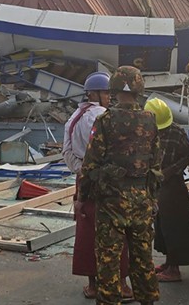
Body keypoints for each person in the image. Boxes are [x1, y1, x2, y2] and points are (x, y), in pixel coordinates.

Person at [80, 66, 162, 305]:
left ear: (114, 89)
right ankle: (147, 300)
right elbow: (156, 163)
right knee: (142, 256)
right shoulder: (150, 120)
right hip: (142, 199)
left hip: (112, 200)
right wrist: (152, 196)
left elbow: (90, 164)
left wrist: (83, 197)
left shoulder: (105, 121)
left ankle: (110, 301)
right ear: (139, 90)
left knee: (109, 259)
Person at [62, 72, 132, 300]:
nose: (109, 98)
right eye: (105, 93)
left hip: (83, 180)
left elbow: (67, 152)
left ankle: (92, 285)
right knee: (115, 232)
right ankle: (120, 285)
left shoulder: (72, 118)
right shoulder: (103, 116)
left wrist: (82, 171)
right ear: (94, 93)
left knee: (85, 234)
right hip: (106, 182)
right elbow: (115, 151)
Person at [144, 98, 189, 283]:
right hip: (157, 186)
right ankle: (169, 262)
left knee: (173, 226)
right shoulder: (148, 132)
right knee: (162, 226)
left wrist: (169, 172)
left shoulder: (175, 132)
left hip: (172, 186)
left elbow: (186, 156)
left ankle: (174, 269)